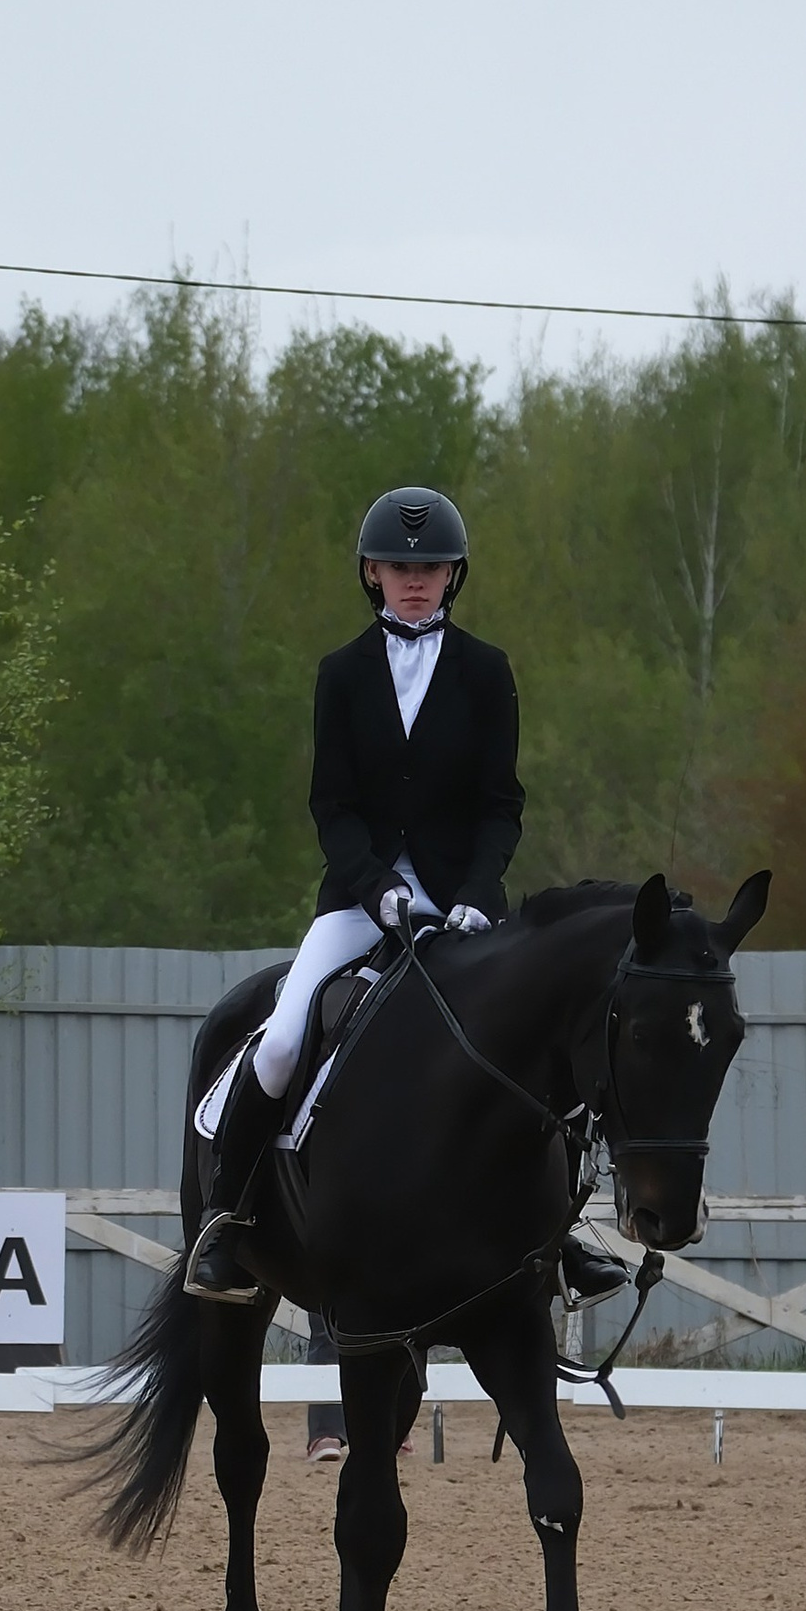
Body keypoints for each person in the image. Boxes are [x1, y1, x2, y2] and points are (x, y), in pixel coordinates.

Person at [184, 483, 628, 1313]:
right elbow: (332, 808)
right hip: (359, 901)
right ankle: (228, 1222)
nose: (415, 578)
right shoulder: (341, 674)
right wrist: (379, 889)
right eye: (399, 566)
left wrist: (476, 896)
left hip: (464, 904)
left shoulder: (488, 672)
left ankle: (563, 1237)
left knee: (535, 1047)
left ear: (454, 574)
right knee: (280, 1044)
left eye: (431, 566)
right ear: (371, 573)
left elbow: (502, 806)